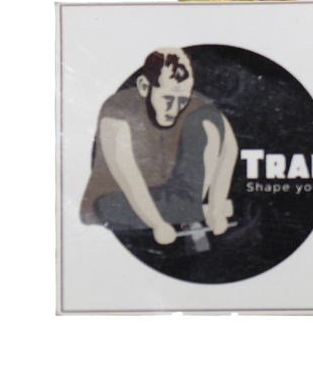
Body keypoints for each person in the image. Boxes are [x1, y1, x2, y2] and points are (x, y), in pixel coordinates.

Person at [80, 47, 238, 246]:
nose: (174, 109)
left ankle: (189, 209)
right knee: (107, 206)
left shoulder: (193, 103)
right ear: (144, 86)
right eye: (167, 99)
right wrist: (157, 223)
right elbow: (128, 177)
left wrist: (216, 205)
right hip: (121, 198)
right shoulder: (116, 111)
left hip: (168, 195)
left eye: (182, 100)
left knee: (209, 118)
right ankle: (191, 211)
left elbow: (229, 146)